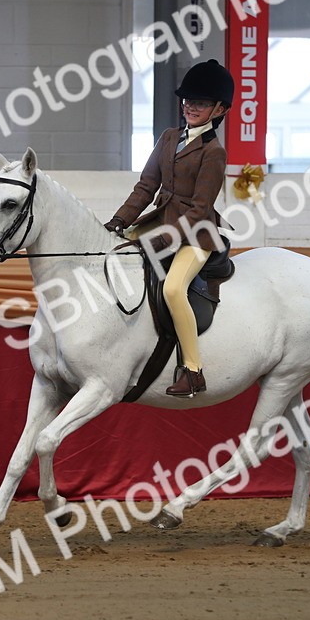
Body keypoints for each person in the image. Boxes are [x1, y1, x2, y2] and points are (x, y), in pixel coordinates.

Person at [105, 59, 234, 397]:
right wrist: (119, 220)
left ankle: (193, 370)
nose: (192, 106)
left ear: (219, 108)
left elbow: (200, 208)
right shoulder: (168, 137)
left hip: (195, 233)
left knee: (174, 288)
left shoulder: (214, 153)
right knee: (111, 253)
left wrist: (165, 238)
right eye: (188, 100)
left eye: (202, 103)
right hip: (159, 222)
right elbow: (146, 186)